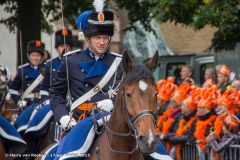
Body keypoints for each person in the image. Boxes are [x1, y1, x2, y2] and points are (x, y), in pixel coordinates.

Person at [48, 2, 124, 159]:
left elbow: (129, 94)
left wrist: (114, 102)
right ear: (87, 38)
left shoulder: (119, 63)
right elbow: (56, 93)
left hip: (112, 123)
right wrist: (63, 116)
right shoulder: (70, 61)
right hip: (79, 123)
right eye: (97, 38)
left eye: (105, 38)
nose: (102, 42)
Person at [23, 29, 74, 154]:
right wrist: (46, 101)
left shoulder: (76, 61)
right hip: (55, 101)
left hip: (74, 101)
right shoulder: (50, 64)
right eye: (62, 46)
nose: (65, 48)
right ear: (57, 48)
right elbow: (45, 88)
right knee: (38, 120)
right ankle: (32, 148)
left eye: (67, 46)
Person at [9, 40, 45, 134]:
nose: (35, 58)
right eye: (33, 55)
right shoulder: (22, 70)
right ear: (29, 56)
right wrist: (19, 102)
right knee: (18, 126)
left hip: (42, 104)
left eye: (38, 55)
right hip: (27, 105)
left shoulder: (47, 69)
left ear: (41, 57)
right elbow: (13, 89)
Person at [169, 87, 200, 160]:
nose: (181, 107)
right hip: (182, 152)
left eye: (183, 105)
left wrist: (174, 139)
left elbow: (189, 136)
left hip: (191, 154)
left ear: (189, 108)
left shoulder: (194, 120)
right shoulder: (183, 119)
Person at [159, 82, 191, 153]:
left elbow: (176, 132)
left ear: (178, 103)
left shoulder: (181, 116)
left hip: (177, 147)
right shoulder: (173, 113)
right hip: (170, 144)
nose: (171, 103)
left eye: (173, 101)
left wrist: (165, 137)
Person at [187, 85, 221, 152]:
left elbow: (214, 131)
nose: (198, 110)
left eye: (201, 108)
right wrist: (195, 140)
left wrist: (207, 138)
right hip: (197, 153)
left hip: (211, 151)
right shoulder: (195, 121)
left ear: (207, 109)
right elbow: (189, 135)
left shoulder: (215, 119)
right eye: (198, 107)